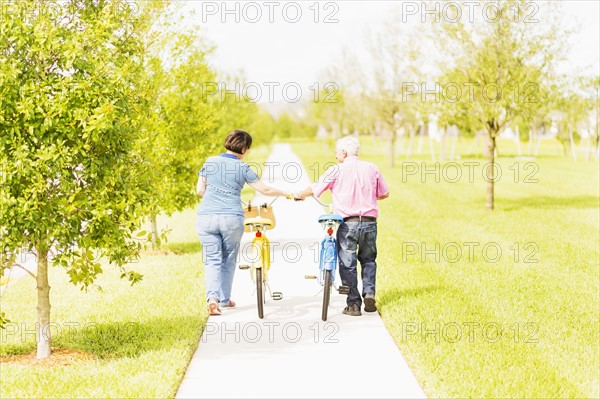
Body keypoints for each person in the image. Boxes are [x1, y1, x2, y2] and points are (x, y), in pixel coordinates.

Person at [196, 130, 290, 316]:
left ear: (227, 143)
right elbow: (264, 189)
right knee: (228, 259)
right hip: (231, 218)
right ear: (245, 149)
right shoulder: (243, 167)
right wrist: (285, 193)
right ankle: (224, 300)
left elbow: (200, 190)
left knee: (212, 260)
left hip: (207, 217)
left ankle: (213, 299)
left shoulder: (210, 162)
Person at [293, 136, 389, 316]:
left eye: (337, 150)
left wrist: (298, 194)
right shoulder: (371, 168)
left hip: (348, 224)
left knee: (348, 263)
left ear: (343, 152)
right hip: (369, 223)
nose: (335, 153)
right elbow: (384, 193)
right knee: (368, 260)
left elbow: (315, 189)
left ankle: (353, 305)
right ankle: (369, 292)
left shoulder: (336, 170)